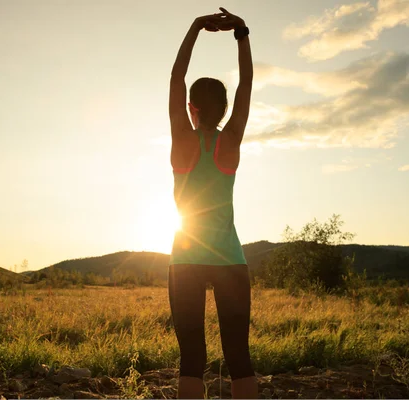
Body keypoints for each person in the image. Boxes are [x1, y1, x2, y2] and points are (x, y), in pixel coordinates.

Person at [168, 6, 257, 399]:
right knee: (239, 356)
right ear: (223, 110)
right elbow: (247, 84)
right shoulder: (231, 141)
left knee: (191, 358)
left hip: (185, 259)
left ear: (192, 108)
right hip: (230, 259)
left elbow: (176, 77)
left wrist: (195, 28)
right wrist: (241, 33)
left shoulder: (183, 140)